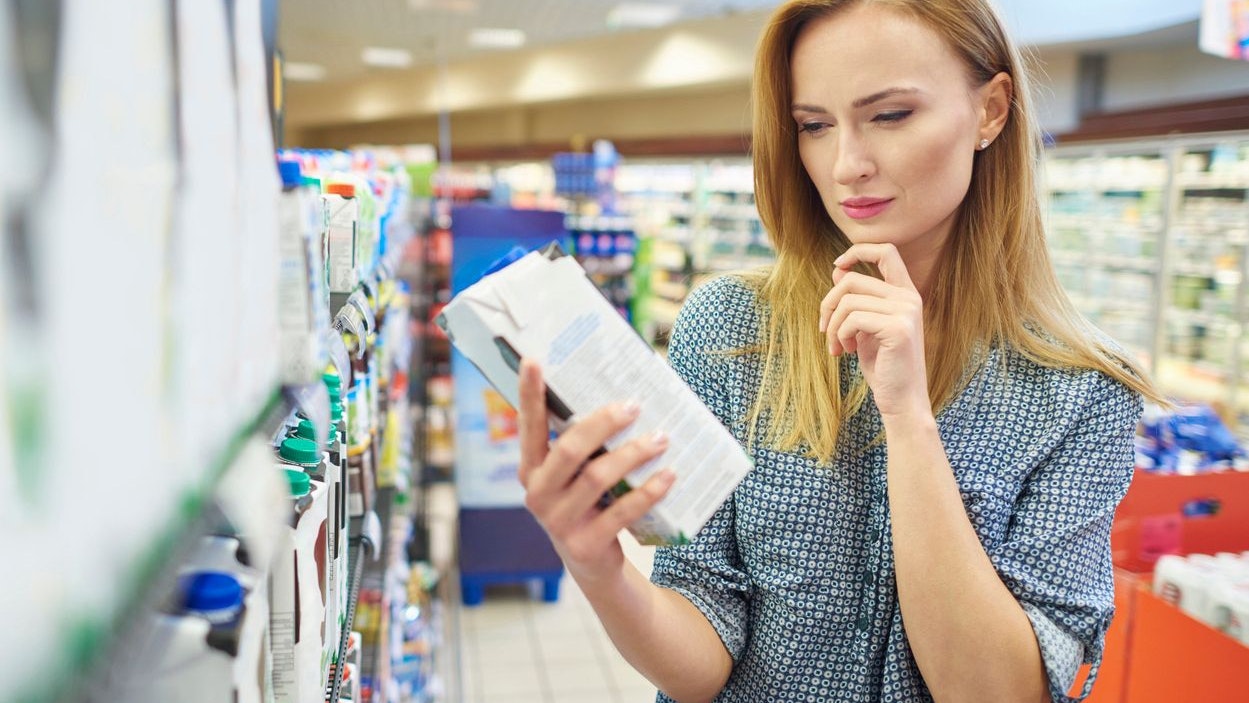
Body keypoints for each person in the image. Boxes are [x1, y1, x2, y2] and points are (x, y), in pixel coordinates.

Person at [516, 0, 1163, 701]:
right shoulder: (732, 328)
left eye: (889, 116)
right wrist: (598, 568)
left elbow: (1001, 692)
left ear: (991, 110)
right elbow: (703, 650)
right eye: (813, 126)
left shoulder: (1081, 391)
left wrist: (909, 417)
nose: (846, 164)